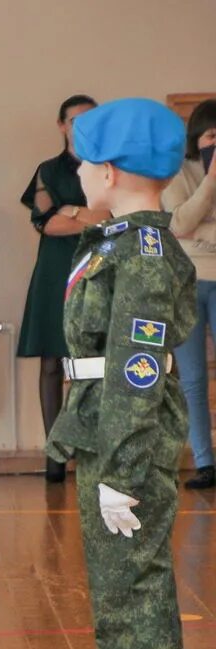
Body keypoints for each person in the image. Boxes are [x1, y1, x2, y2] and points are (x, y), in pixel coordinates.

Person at [46, 98, 194, 649]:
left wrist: (123, 470)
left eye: (82, 159)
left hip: (123, 434)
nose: (76, 170)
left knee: (132, 586)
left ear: (106, 171)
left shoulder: (143, 253)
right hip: (103, 425)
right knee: (118, 585)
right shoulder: (116, 241)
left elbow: (136, 369)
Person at [17, 95, 103, 483]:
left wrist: (70, 211)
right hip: (55, 270)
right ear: (62, 125)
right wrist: (86, 217)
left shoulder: (108, 167)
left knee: (93, 364)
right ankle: (54, 454)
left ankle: (88, 450)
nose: (83, 126)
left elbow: (112, 216)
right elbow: (46, 223)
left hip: (98, 269)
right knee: (52, 362)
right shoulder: (47, 170)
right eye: (75, 120)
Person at [163, 99, 216, 489]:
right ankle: (204, 462)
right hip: (186, 282)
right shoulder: (178, 171)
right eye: (212, 136)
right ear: (196, 136)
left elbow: (189, 228)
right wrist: (212, 180)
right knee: (193, 379)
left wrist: (200, 233)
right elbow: (177, 223)